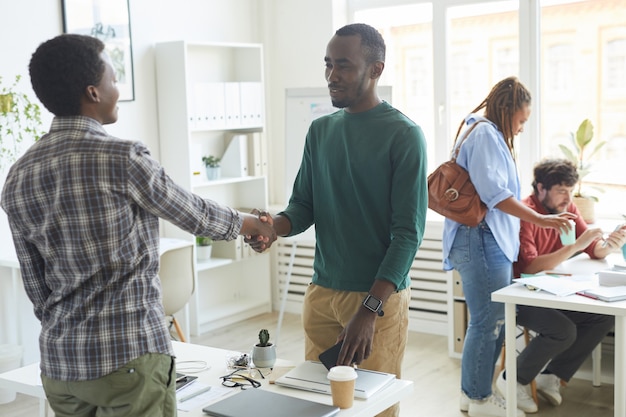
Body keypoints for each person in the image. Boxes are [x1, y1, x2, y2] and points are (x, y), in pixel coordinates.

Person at [0, 34, 274, 417]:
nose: (118, 88)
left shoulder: (18, 176)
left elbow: (36, 288)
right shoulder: (121, 157)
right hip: (128, 358)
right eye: (114, 78)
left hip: (62, 367)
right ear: (93, 92)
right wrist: (251, 224)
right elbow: (191, 212)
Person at [249, 23, 427, 417]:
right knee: (318, 406)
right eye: (328, 64)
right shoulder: (320, 131)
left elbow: (407, 236)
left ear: (376, 69)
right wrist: (272, 229)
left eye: (343, 65)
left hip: (376, 300)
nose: (332, 75)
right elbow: (302, 207)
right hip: (321, 293)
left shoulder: (404, 135)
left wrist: (369, 310)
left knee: (372, 408)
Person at [442, 76, 575, 417]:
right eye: (521, 120)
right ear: (507, 110)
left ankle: (472, 395)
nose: (521, 128)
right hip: (481, 239)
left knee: (489, 321)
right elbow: (495, 195)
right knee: (489, 322)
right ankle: (480, 399)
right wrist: (541, 219)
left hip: (483, 239)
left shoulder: (485, 133)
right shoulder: (485, 133)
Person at [495, 158, 620, 412]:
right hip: (522, 294)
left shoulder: (568, 208)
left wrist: (609, 246)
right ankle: (511, 379)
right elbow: (530, 267)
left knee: (602, 317)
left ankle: (550, 375)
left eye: (570, 191)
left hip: (555, 292)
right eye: (561, 190)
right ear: (541, 188)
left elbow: (593, 249)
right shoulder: (526, 213)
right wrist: (575, 246)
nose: (567, 197)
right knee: (564, 331)